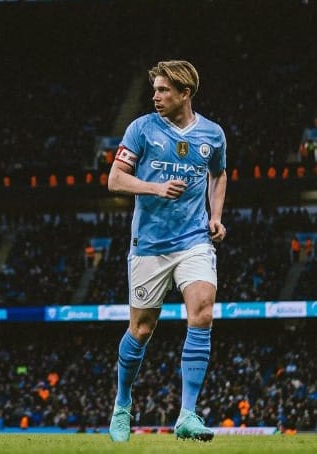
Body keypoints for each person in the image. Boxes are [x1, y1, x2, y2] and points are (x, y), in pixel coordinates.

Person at [107, 60, 227, 442]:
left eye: (163, 90)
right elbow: (115, 179)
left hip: (193, 239)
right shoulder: (141, 129)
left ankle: (187, 414)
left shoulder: (212, 134)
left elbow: (219, 173)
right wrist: (156, 187)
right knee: (142, 329)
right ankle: (122, 405)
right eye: (155, 90)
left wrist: (216, 216)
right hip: (150, 245)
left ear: (184, 93)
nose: (155, 97)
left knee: (203, 310)